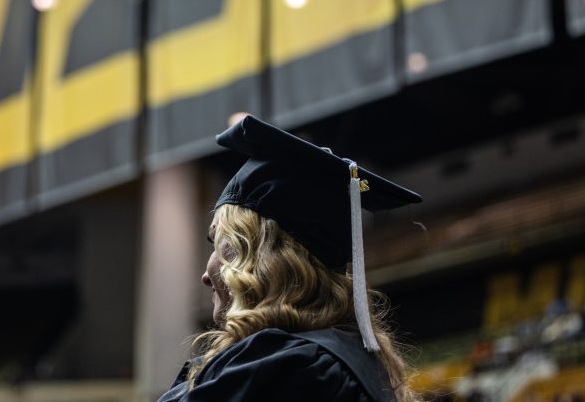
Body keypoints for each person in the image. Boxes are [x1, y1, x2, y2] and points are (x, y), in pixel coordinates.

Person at [157, 115, 422, 401]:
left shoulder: (289, 366)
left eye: (222, 245)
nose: (206, 275)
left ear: (266, 261)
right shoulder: (343, 361)